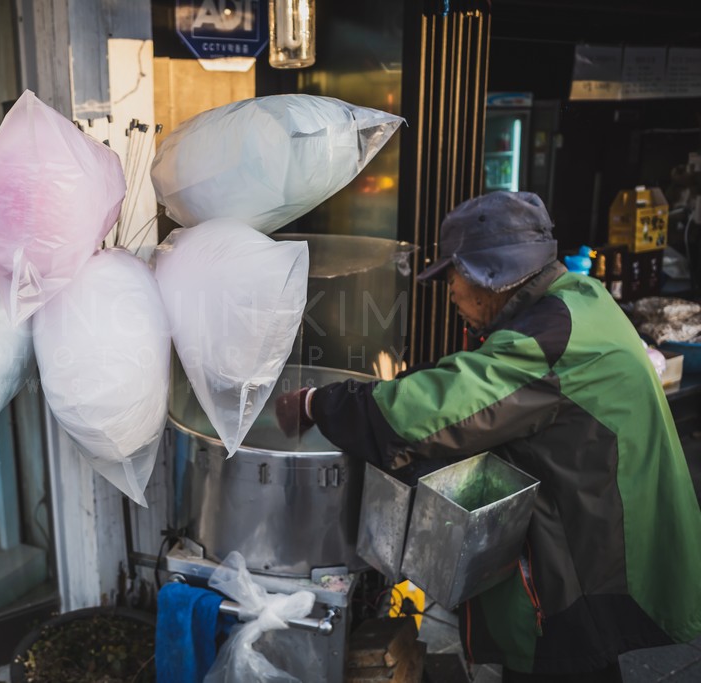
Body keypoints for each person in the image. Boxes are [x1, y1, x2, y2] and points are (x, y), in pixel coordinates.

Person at [275, 191, 701, 682]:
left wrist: (318, 403)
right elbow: (479, 376)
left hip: (590, 565)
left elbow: (431, 414)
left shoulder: (551, 339)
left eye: (453, 277)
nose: (451, 293)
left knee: (570, 667)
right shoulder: (577, 299)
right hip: (606, 536)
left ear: (489, 275)